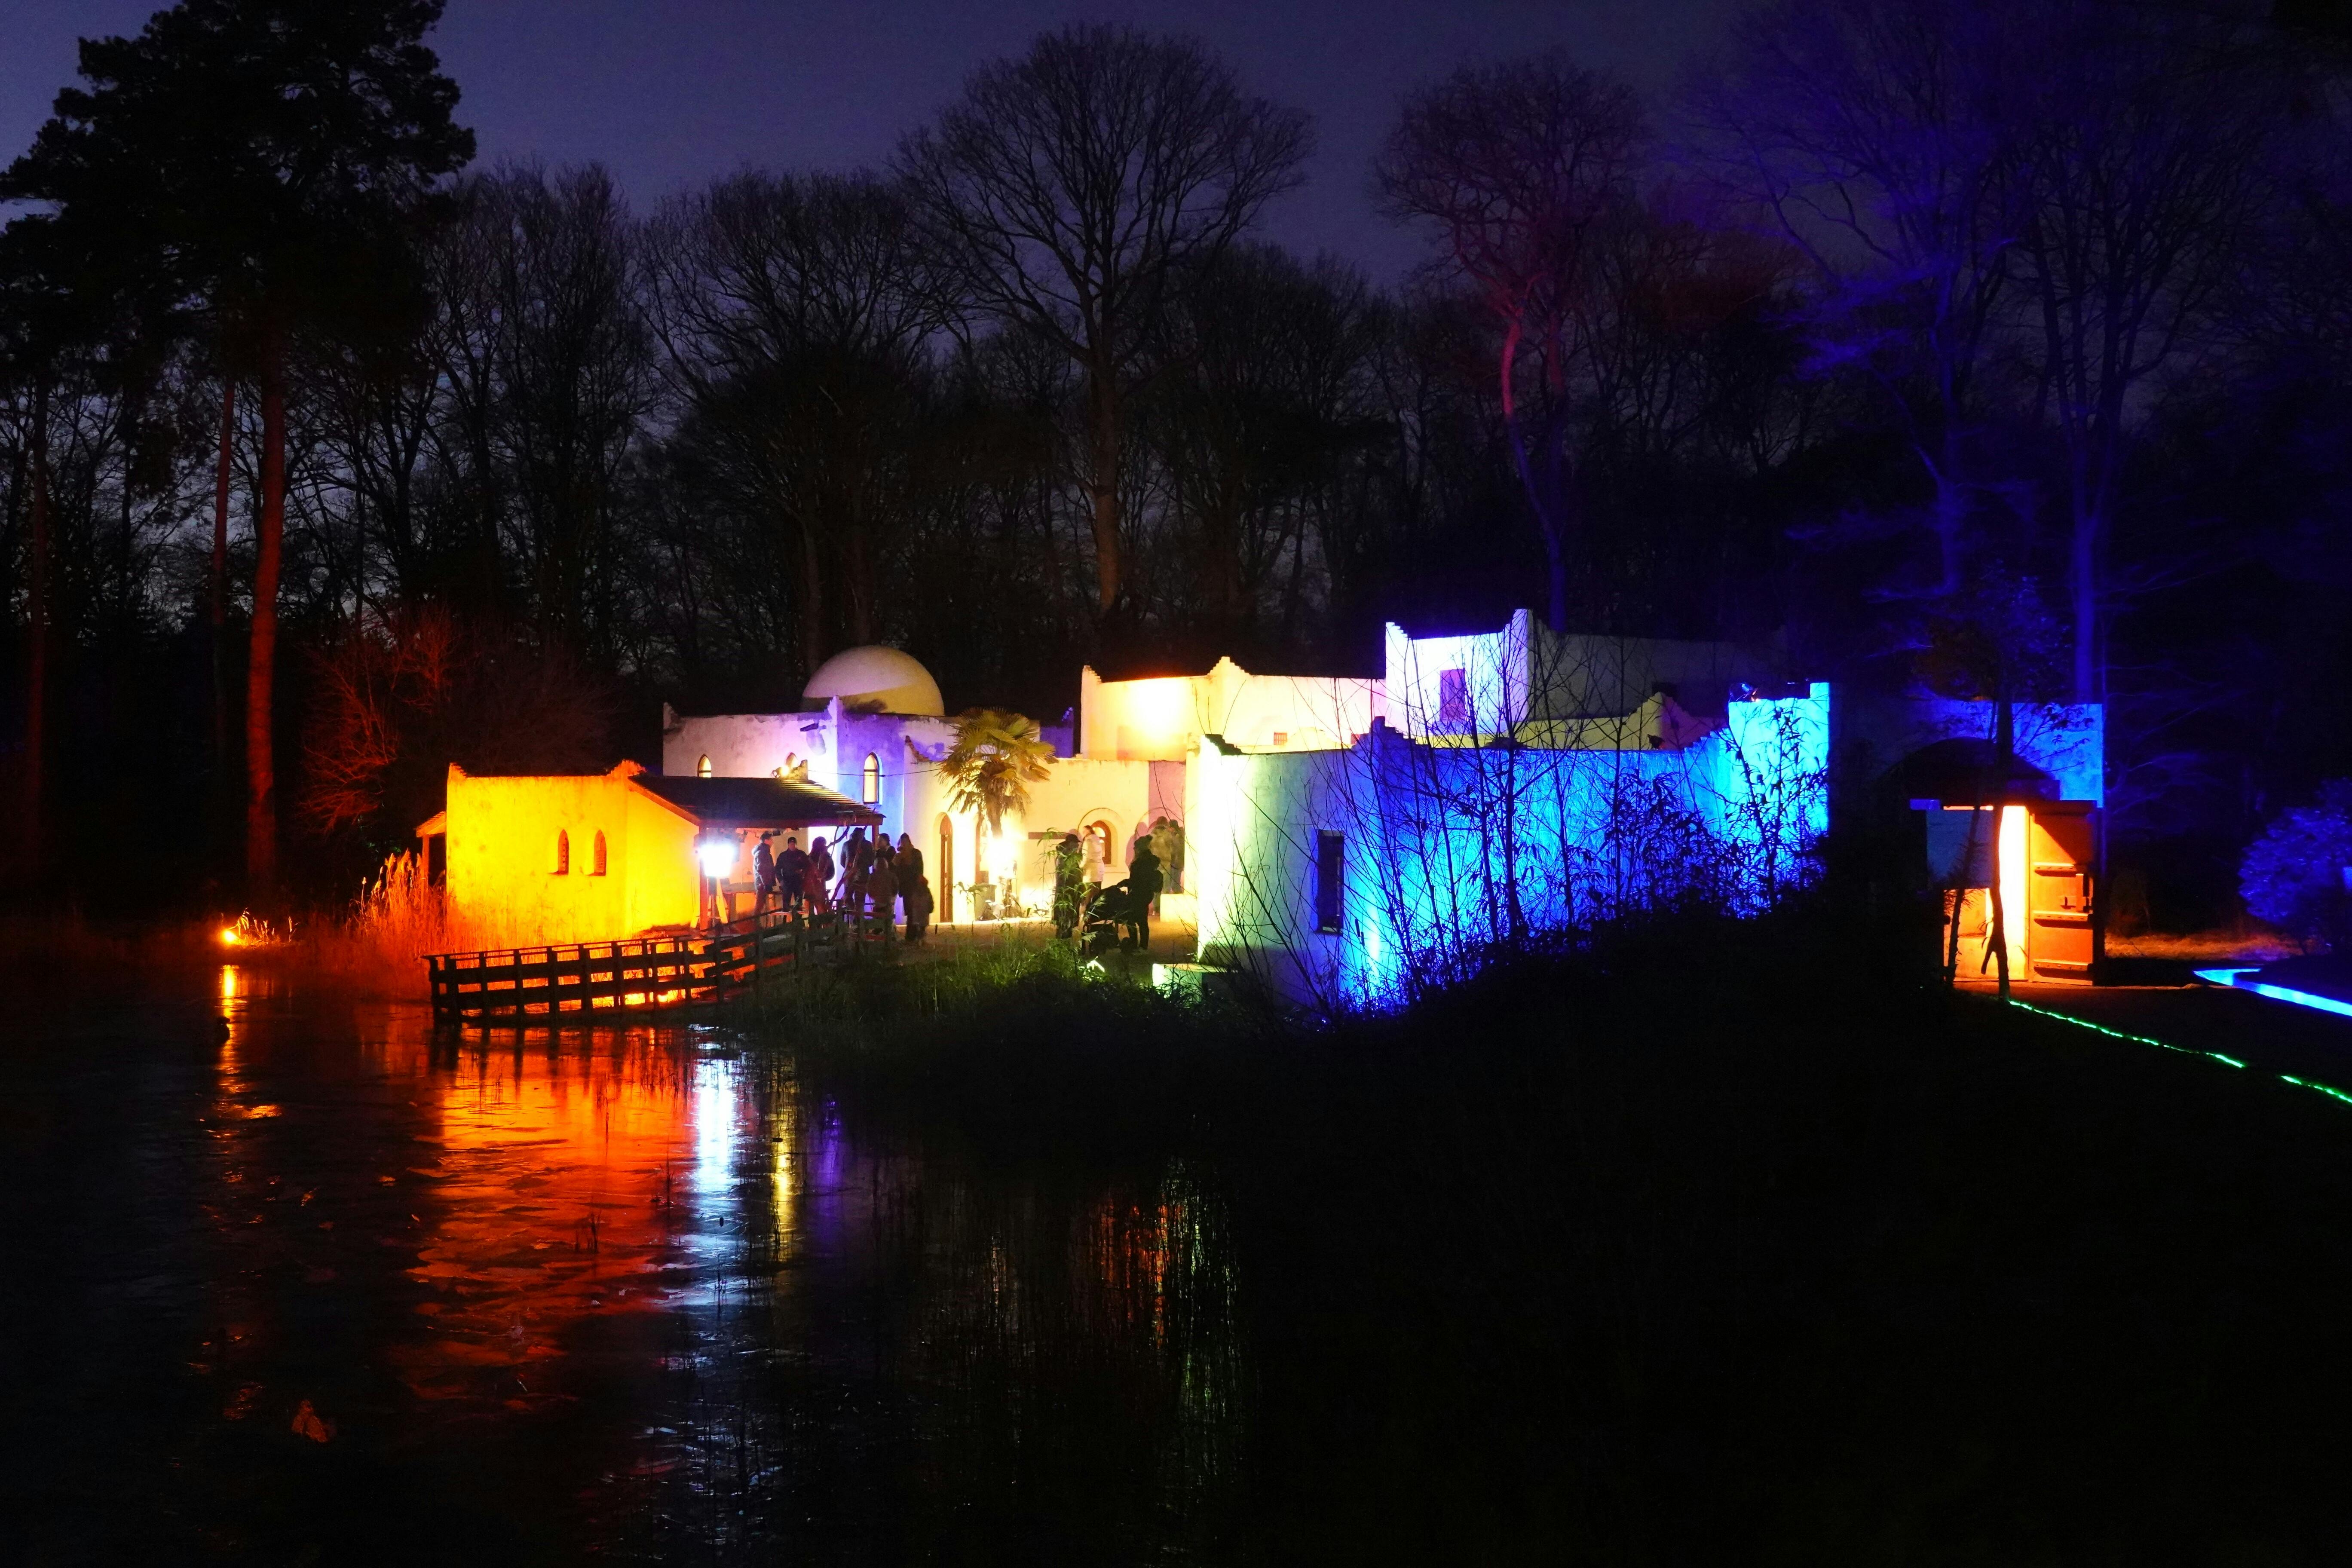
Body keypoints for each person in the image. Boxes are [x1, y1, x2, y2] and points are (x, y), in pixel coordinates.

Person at [1124, 842, 1163, 950]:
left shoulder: (1140, 863)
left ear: (1139, 849)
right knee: (1142, 920)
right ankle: (1142, 945)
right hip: (1146, 894)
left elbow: (1136, 880)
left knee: (1132, 919)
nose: (1134, 850)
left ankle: (1136, 944)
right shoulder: (1149, 861)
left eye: (1135, 848)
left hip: (1138, 893)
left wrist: (1126, 883)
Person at [1052, 832, 1085, 940]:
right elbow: (1075, 876)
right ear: (1070, 843)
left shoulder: (1062, 856)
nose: (1078, 846)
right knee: (1068, 914)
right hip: (1070, 890)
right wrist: (1081, 890)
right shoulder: (1069, 858)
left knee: (1064, 916)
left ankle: (1062, 937)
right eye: (1076, 843)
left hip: (1064, 889)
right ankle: (1065, 938)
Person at [867, 843, 898, 940]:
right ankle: (887, 937)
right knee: (887, 922)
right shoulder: (892, 876)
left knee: (878, 921)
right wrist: (892, 897)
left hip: (878, 903)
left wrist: (875, 896)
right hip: (888, 902)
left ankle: (878, 936)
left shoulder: (873, 877)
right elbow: (896, 888)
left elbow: (869, 889)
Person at [775, 833, 808, 916]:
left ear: (796, 844)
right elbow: (777, 869)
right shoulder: (783, 856)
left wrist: (804, 877)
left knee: (798, 905)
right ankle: (786, 922)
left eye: (794, 844)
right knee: (786, 906)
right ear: (788, 845)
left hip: (799, 882)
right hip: (787, 882)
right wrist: (781, 881)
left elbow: (807, 867)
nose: (792, 846)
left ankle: (798, 922)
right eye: (791, 844)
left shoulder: (802, 854)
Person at [901, 861, 934, 945]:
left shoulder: (915, 892)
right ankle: (920, 939)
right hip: (923, 913)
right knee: (922, 927)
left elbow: (912, 901)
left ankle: (916, 939)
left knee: (916, 925)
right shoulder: (927, 892)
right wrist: (930, 909)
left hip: (916, 912)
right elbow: (930, 902)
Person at [805, 836, 835, 915]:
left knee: (817, 905)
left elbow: (831, 872)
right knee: (818, 905)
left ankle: (818, 921)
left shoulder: (811, 858)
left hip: (814, 886)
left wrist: (824, 877)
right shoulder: (813, 858)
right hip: (814, 886)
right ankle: (820, 921)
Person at [753, 832, 777, 912]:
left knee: (761, 905)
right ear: (766, 841)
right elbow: (762, 870)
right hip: (762, 884)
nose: (773, 842)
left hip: (762, 883)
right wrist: (766, 883)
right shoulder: (763, 853)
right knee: (760, 905)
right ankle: (756, 920)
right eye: (771, 840)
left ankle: (757, 919)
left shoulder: (763, 852)